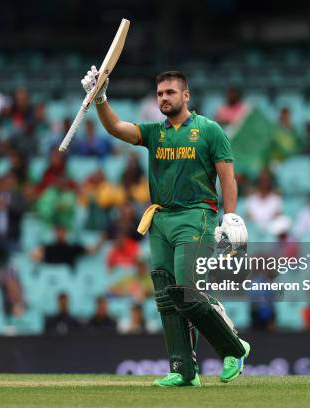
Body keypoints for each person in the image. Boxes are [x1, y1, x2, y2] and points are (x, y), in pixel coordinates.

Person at [83, 67, 249, 386]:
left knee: (188, 290)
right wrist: (100, 97)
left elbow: (228, 178)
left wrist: (230, 217)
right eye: (159, 94)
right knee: (166, 297)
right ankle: (183, 370)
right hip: (160, 219)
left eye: (170, 92)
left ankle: (234, 347)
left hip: (196, 215)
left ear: (185, 96)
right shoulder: (155, 133)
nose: (164, 98)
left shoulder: (209, 130)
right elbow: (117, 128)